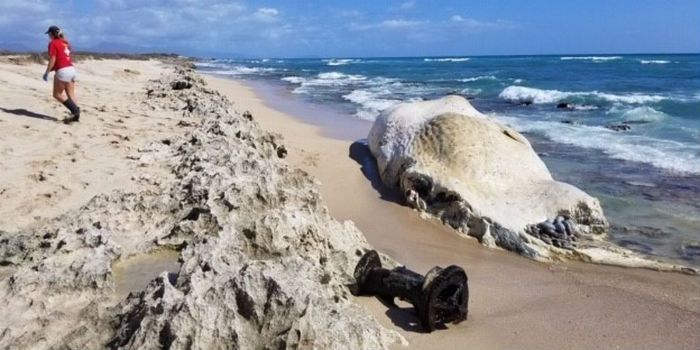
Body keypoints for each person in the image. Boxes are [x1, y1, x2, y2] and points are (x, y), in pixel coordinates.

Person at [43, 25, 80, 123]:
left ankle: (75, 111)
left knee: (57, 94)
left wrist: (47, 72)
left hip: (62, 71)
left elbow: (53, 59)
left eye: (49, 34)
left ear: (51, 34)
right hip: (71, 69)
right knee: (70, 94)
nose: (48, 36)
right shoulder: (66, 43)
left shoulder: (53, 43)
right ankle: (76, 115)